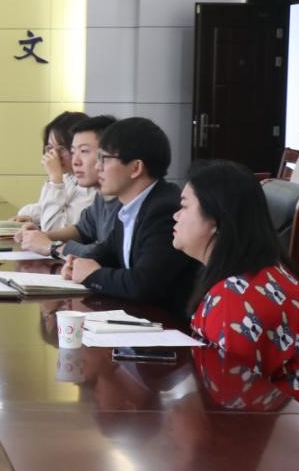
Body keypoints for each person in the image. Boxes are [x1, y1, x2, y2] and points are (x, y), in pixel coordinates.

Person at [172, 159, 299, 412]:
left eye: (184, 206)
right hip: (276, 422)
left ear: (215, 220)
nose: (175, 216)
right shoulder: (250, 275)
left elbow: (228, 400)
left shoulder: (238, 297)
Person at [61, 117, 198, 317]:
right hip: (142, 320)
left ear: (135, 168)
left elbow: (143, 284)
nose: (98, 167)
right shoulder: (130, 207)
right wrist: (77, 264)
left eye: (105, 159)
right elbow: (108, 253)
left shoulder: (164, 210)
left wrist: (93, 275)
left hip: (169, 325)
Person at [16, 115, 118, 259]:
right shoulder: (100, 198)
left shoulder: (116, 198)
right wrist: (43, 236)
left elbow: (102, 255)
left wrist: (51, 246)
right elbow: (81, 230)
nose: (76, 161)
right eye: (74, 151)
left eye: (84, 151)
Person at [13, 111, 92, 232]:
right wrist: (31, 217)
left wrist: (55, 180)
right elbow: (43, 208)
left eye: (62, 148)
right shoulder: (69, 177)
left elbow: (53, 228)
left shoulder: (91, 186)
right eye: (50, 148)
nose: (54, 155)